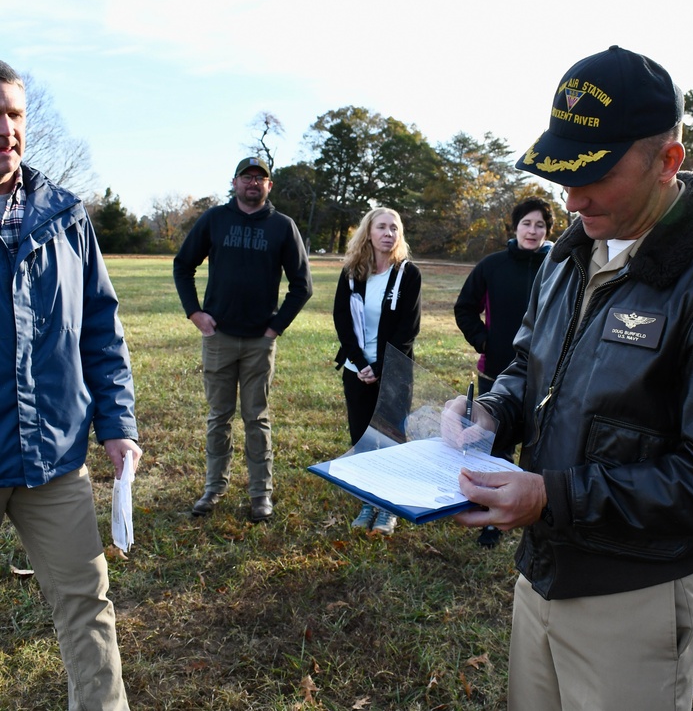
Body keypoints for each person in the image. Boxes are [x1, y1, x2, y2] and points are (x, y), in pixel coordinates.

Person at [443, 46, 693, 710]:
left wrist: (553, 498)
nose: (572, 198)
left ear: (668, 162)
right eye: (562, 173)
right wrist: (490, 414)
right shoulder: (570, 254)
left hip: (637, 595)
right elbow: (528, 366)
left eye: (596, 172)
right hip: (541, 572)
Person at [0, 59, 142, 710]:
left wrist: (116, 424)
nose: (7, 129)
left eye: (15, 115)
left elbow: (101, 333)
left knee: (87, 604)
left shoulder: (64, 216)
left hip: (52, 456)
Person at [174, 156, 312, 523]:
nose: (253, 183)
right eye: (246, 177)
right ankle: (213, 488)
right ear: (234, 182)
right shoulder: (215, 220)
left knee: (257, 419)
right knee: (218, 417)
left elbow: (303, 286)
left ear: (269, 187)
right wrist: (194, 312)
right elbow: (183, 264)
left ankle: (260, 494)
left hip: (259, 342)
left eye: (260, 178)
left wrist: (275, 327)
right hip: (218, 337)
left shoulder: (282, 227)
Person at [454, 196, 554, 548]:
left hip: (547, 376)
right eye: (527, 223)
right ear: (515, 227)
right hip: (497, 370)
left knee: (540, 442)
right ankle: (491, 514)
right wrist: (486, 342)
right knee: (493, 442)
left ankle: (540, 506)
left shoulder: (559, 267)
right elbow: (464, 308)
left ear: (547, 230)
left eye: (540, 225)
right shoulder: (492, 265)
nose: (532, 230)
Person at [333, 207, 421, 536]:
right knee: (362, 437)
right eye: (381, 227)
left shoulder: (407, 274)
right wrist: (360, 362)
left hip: (394, 371)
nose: (388, 233)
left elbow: (407, 328)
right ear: (368, 232)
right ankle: (368, 499)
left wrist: (381, 368)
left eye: (394, 228)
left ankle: (388, 507)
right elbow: (342, 319)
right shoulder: (353, 271)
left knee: (391, 436)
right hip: (357, 369)